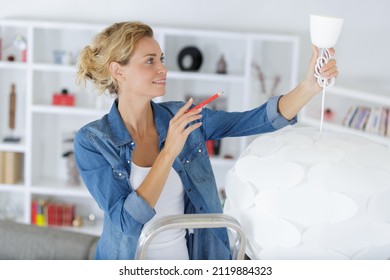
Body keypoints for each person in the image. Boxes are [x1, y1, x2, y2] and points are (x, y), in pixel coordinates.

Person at [74, 21, 338, 260]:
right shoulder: (92, 141)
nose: (163, 68)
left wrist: (309, 86)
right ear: (118, 71)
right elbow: (128, 222)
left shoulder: (180, 116)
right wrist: (169, 152)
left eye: (162, 59)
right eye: (150, 61)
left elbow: (256, 120)